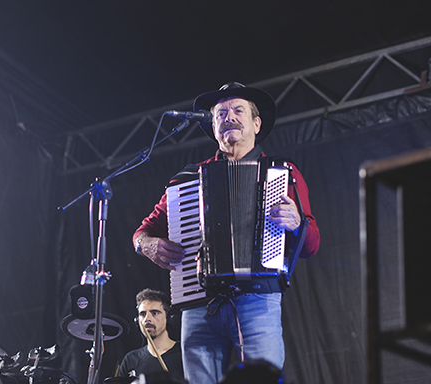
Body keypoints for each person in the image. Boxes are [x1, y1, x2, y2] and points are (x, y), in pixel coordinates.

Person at [132, 82, 320, 384]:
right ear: (213, 126)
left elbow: (311, 245)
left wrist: (298, 223)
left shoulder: (281, 173)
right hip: (199, 302)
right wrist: (145, 244)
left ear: (256, 124)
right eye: (220, 113)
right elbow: (145, 229)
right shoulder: (187, 181)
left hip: (258, 301)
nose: (228, 116)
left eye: (238, 110)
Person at [116, 289, 184, 380]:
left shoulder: (184, 353)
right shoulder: (131, 359)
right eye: (143, 314)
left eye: (154, 313)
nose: (147, 318)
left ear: (169, 318)